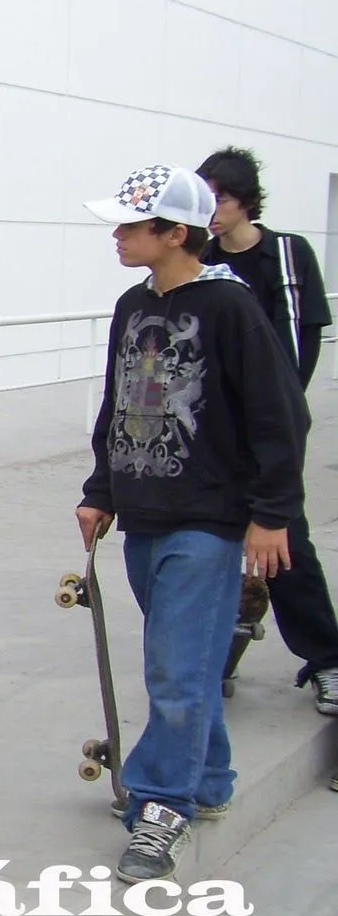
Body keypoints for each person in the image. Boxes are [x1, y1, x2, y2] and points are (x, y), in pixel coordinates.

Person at [78, 163, 308, 882]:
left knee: (175, 668)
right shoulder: (131, 304)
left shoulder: (231, 310)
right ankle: (207, 779)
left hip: (209, 520)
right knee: (192, 660)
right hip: (146, 514)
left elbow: (281, 416)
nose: (115, 235)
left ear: (176, 233)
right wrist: (100, 488)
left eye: (130, 224)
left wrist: (272, 516)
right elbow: (119, 403)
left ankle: (161, 804)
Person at [196, 146, 338, 713]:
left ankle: (327, 657)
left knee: (282, 546)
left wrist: (272, 421)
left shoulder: (285, 254)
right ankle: (210, 661)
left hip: (264, 432)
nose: (212, 209)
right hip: (209, 437)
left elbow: (298, 348)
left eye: (221, 199)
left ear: (245, 202)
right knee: (205, 550)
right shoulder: (199, 255)